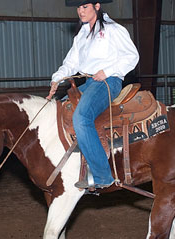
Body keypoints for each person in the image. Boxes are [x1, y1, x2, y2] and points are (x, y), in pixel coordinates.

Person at [47, 0, 139, 189]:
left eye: (85, 7)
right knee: (60, 111)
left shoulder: (113, 29)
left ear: (97, 6)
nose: (81, 11)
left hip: (108, 82)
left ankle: (102, 175)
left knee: (81, 117)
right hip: (88, 82)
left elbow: (132, 56)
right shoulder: (81, 34)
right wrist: (57, 78)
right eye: (79, 7)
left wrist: (108, 71)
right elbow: (71, 63)